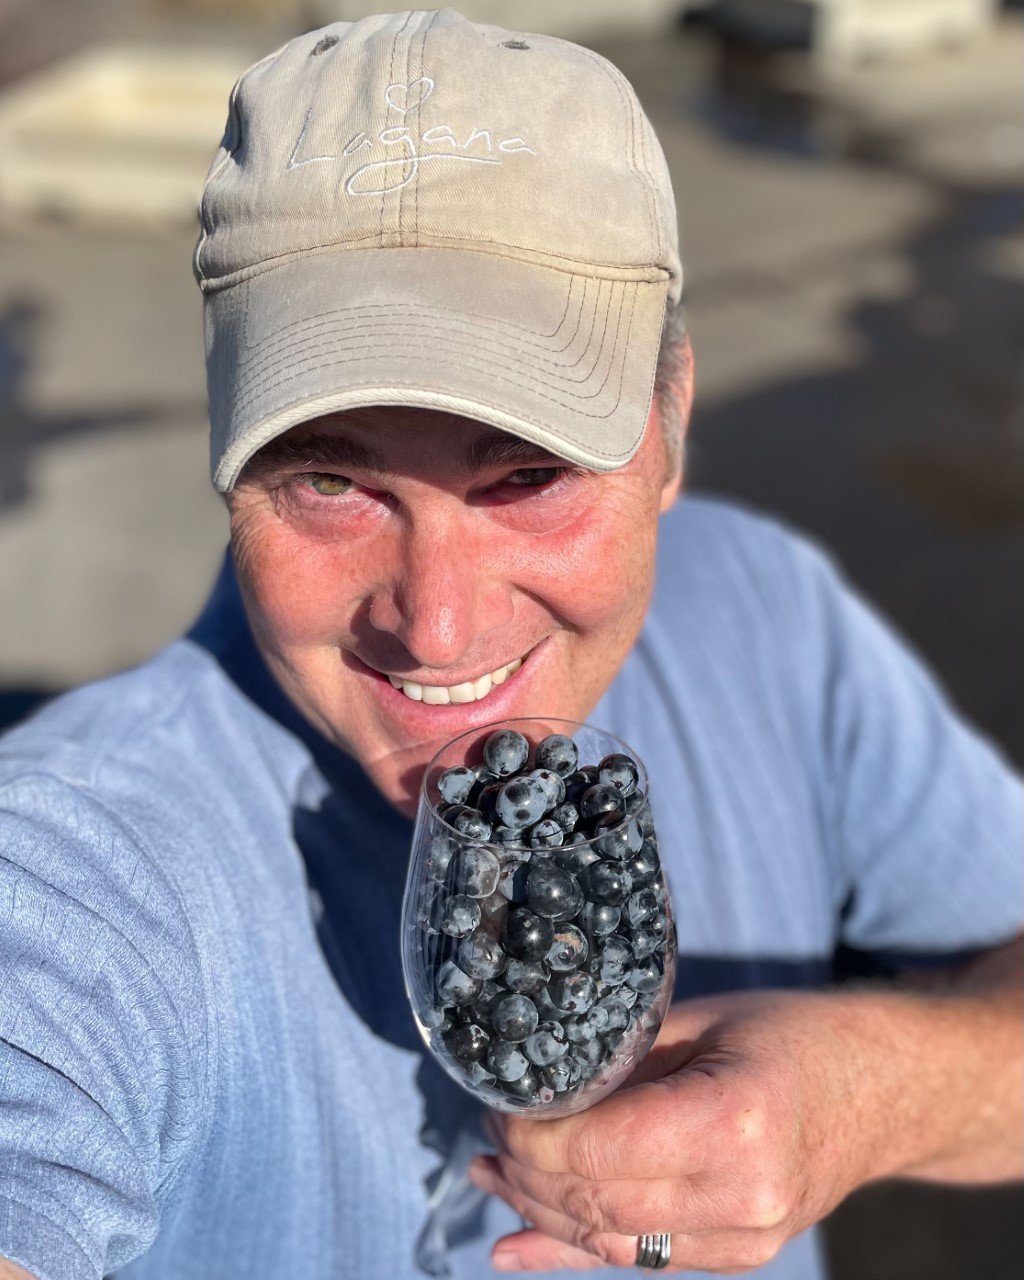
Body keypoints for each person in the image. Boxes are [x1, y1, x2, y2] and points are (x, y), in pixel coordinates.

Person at [0, 10, 1020, 1280]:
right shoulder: (70, 875)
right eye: (328, 480)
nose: (437, 625)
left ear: (670, 421)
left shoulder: (766, 612)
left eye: (529, 471)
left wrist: (876, 1094)